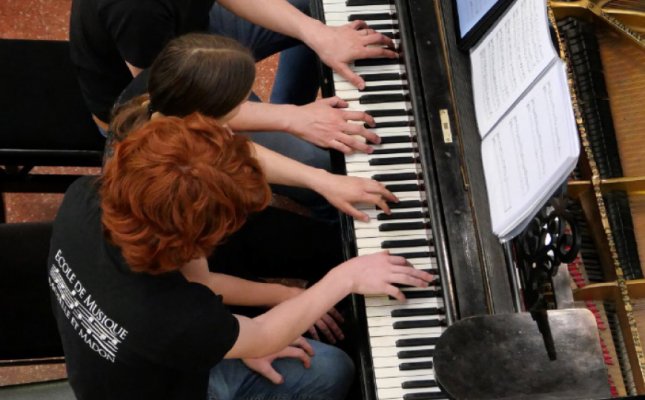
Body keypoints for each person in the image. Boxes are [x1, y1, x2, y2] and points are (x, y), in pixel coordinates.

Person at [48, 111, 434, 400]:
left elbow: (198, 284)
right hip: (163, 386)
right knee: (331, 371)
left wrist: (278, 304)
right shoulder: (169, 318)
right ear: (189, 243)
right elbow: (261, 333)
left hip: (132, 360)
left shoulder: (85, 195)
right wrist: (346, 277)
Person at [70, 0, 397, 159]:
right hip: (154, 107)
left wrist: (316, 33)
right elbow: (169, 103)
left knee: (315, 7)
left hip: (188, 41)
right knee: (324, 161)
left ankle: (291, 104)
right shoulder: (134, 9)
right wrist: (292, 119)